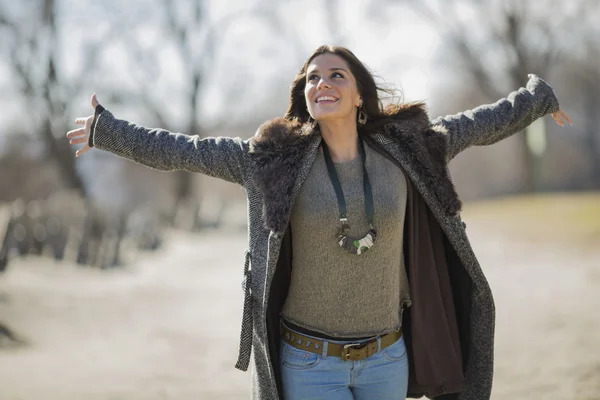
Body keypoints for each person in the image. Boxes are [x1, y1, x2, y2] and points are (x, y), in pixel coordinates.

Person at [67, 44, 572, 400]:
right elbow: (185, 150)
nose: (322, 83)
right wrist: (109, 133)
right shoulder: (271, 159)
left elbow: (479, 123)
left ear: (358, 95)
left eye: (336, 75)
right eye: (312, 76)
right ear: (303, 94)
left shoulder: (409, 148)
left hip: (386, 360)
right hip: (309, 362)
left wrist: (537, 99)